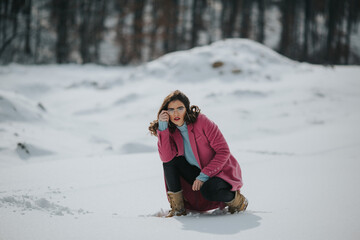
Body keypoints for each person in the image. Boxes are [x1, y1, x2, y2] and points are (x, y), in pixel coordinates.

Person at [148, 90, 248, 217]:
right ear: (166, 112)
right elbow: (166, 157)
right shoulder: (171, 130)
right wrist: (163, 127)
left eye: (180, 108)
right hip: (198, 172)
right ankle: (178, 208)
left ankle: (238, 201)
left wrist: (204, 175)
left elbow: (223, 151)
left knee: (209, 190)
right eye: (171, 110)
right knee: (171, 162)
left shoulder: (202, 122)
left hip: (221, 172)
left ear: (187, 109)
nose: (176, 113)